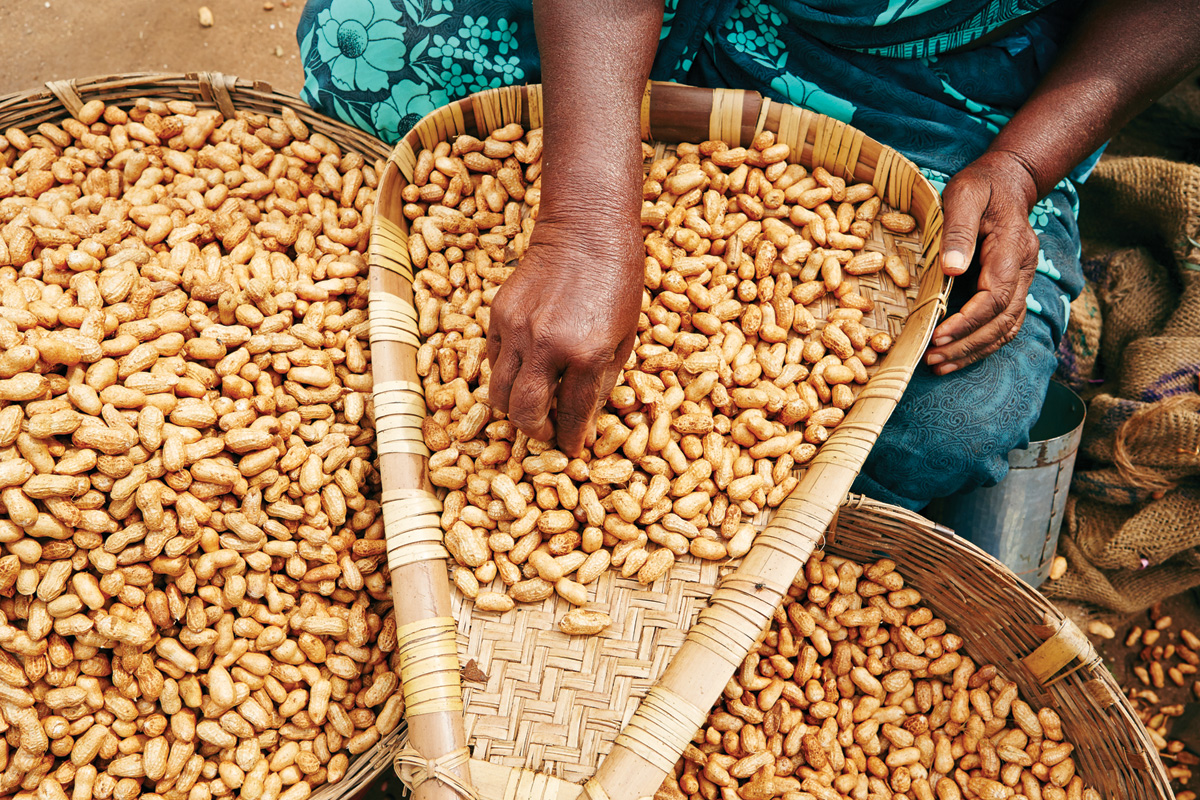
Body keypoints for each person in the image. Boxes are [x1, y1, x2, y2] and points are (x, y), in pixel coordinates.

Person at [297, 0, 1200, 510]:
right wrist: (586, 220)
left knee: (947, 421)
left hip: (942, 87)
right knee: (362, 44)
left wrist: (1022, 165)